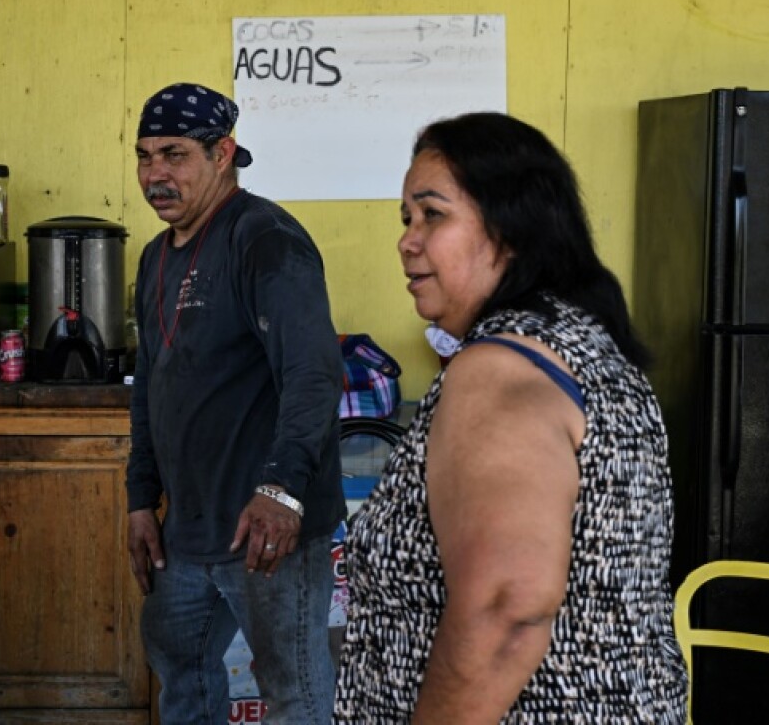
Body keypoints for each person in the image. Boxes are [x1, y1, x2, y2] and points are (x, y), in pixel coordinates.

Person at [334, 111, 688, 723]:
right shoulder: (582, 344)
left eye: (433, 214)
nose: (407, 239)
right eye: (407, 218)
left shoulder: (498, 369)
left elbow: (506, 611)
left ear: (511, 228)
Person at [127, 82, 345, 724]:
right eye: (144, 156)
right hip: (187, 532)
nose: (155, 174)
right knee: (183, 683)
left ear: (222, 153)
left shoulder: (266, 239)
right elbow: (150, 381)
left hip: (266, 531)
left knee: (294, 696)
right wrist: (141, 498)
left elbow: (313, 374)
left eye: (174, 155)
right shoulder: (152, 259)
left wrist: (281, 490)